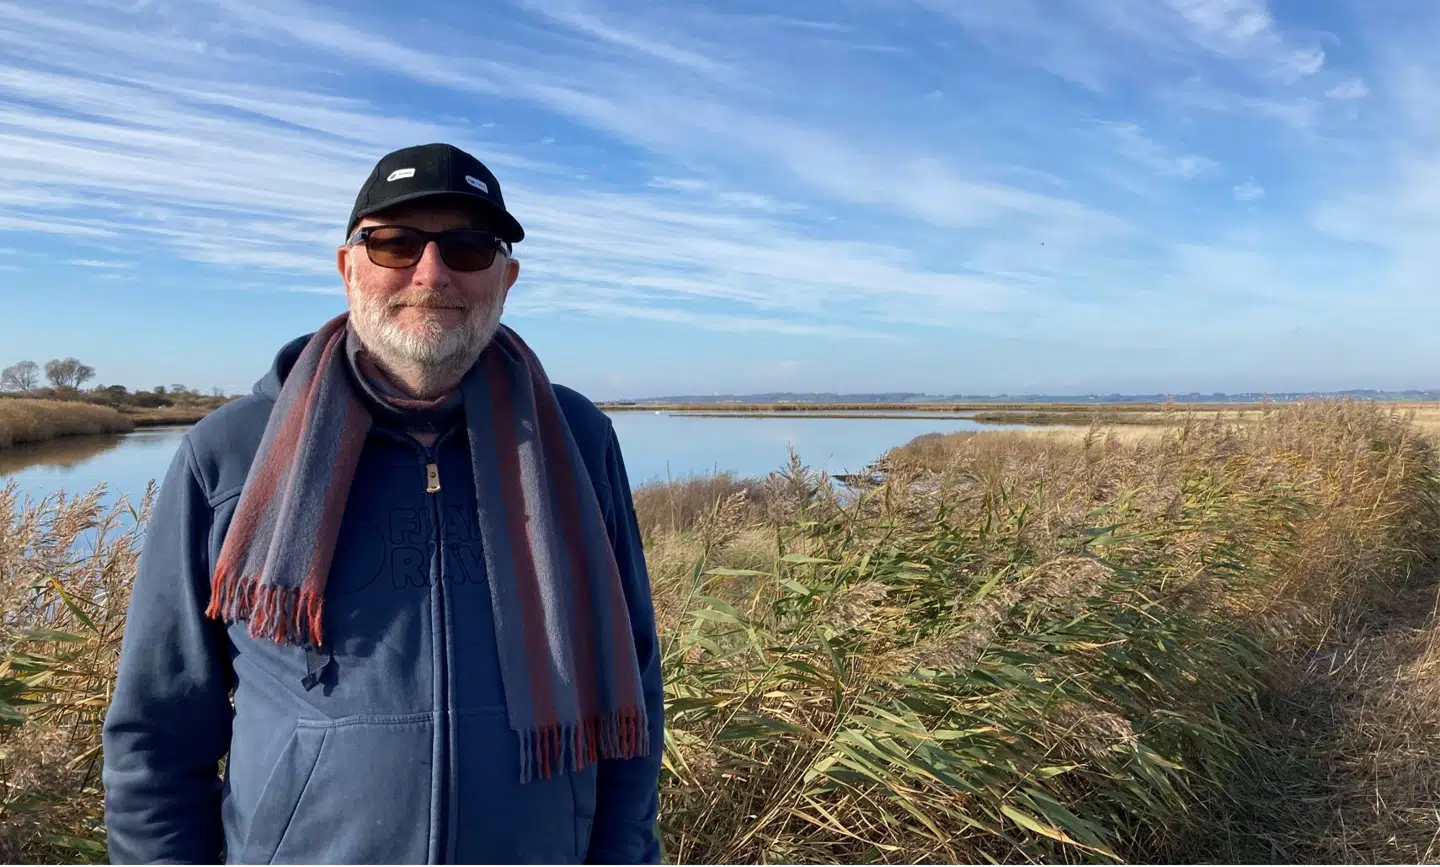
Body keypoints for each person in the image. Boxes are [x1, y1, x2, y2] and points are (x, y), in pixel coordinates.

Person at [101, 143, 665, 864]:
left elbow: (635, 696)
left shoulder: (577, 443)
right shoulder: (230, 456)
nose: (430, 275)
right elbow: (156, 737)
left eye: (466, 248)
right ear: (347, 268)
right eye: (394, 244)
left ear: (507, 278)